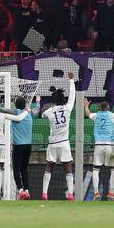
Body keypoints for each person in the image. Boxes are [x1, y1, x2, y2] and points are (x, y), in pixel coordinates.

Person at [83, 93, 114, 201]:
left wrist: (86, 106)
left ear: (99, 108)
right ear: (108, 108)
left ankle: (96, 194)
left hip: (98, 146)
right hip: (109, 146)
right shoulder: (112, 115)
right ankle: (111, 194)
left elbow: (88, 114)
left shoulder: (96, 116)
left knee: (96, 170)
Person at [41, 72, 76, 201]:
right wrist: (71, 80)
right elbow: (72, 96)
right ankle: (71, 194)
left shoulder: (50, 111)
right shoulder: (67, 108)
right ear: (63, 99)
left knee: (49, 168)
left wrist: (52, 108)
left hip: (53, 144)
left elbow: (43, 115)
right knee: (68, 169)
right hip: (64, 143)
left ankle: (44, 193)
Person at [10, 95, 40, 200]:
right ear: (24, 105)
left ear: (16, 105)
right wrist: (38, 101)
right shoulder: (29, 114)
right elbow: (37, 111)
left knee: (16, 169)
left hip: (18, 145)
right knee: (24, 169)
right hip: (28, 146)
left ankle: (20, 190)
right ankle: (27, 190)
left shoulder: (15, 113)